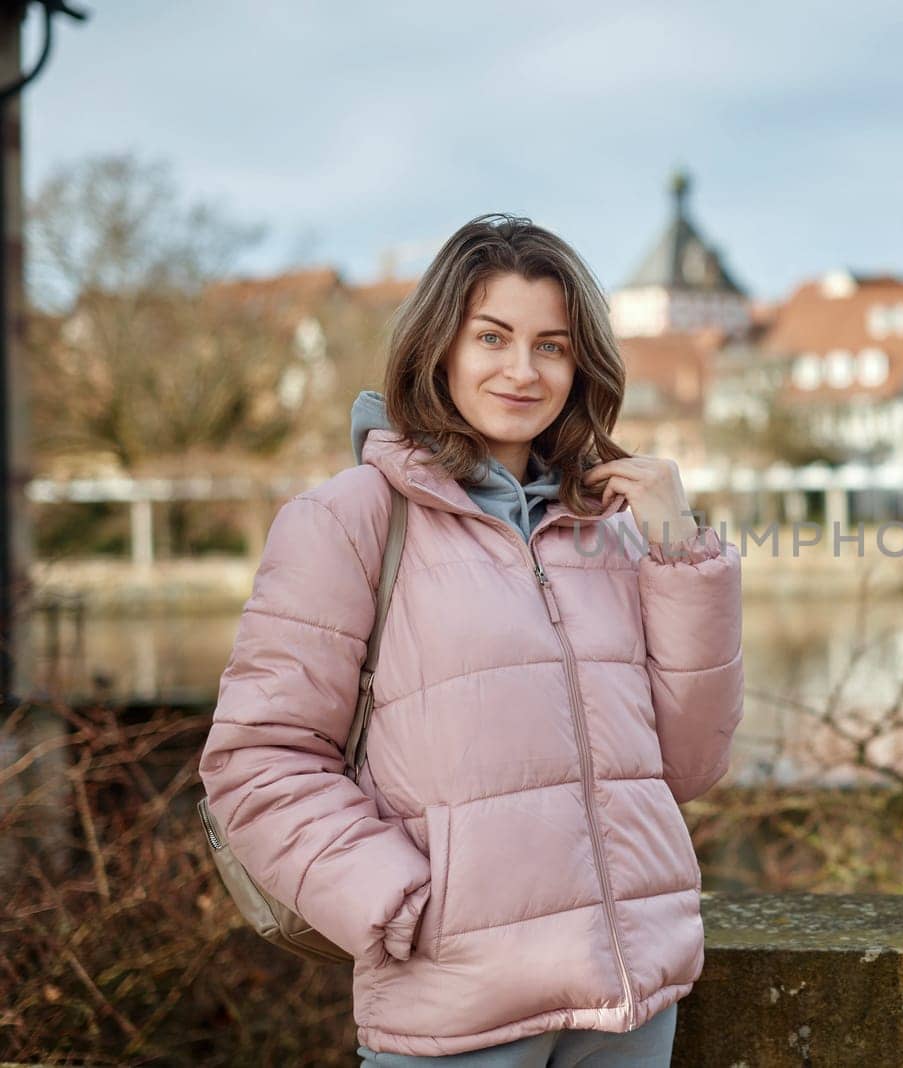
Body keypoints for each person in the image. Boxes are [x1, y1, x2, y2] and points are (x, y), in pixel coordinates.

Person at [197, 214, 744, 1065]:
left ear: (581, 365)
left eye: (552, 346)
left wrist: (682, 555)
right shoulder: (349, 519)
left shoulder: (610, 532)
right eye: (492, 337)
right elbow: (257, 762)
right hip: (457, 1009)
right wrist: (400, 903)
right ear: (439, 348)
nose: (523, 370)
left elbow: (688, 766)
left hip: (629, 1007)